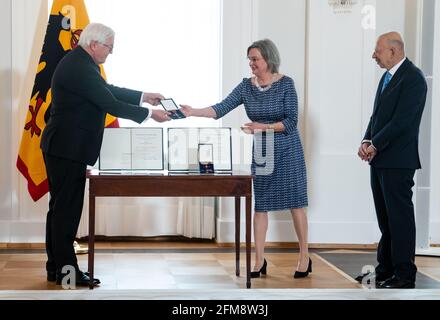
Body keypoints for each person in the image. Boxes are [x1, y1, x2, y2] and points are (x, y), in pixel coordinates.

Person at [40, 23, 170, 286]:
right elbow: (108, 102)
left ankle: (56, 268)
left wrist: (144, 96)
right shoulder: (79, 66)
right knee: (66, 212)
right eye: (109, 48)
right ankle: (67, 274)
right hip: (67, 149)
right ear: (94, 44)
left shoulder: (81, 63)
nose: (110, 53)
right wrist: (149, 114)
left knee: (59, 210)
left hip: (63, 147)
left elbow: (107, 90)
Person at [181, 39, 310, 279]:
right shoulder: (245, 86)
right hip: (262, 151)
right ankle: (259, 259)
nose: (251, 64)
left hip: (288, 149)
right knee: (260, 205)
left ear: (268, 59)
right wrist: (193, 111)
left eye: (255, 59)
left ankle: (304, 256)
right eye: (249, 59)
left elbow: (291, 122)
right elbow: (221, 108)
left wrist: (263, 126)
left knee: (295, 203)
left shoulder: (286, 84)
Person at [356, 32, 427, 289]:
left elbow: (402, 123)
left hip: (399, 161)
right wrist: (366, 140)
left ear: (394, 51)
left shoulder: (414, 79)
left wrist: (375, 144)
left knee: (400, 218)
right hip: (380, 159)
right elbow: (377, 117)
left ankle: (405, 273)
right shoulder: (386, 77)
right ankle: (385, 267)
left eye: (378, 50)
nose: (374, 55)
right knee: (385, 218)